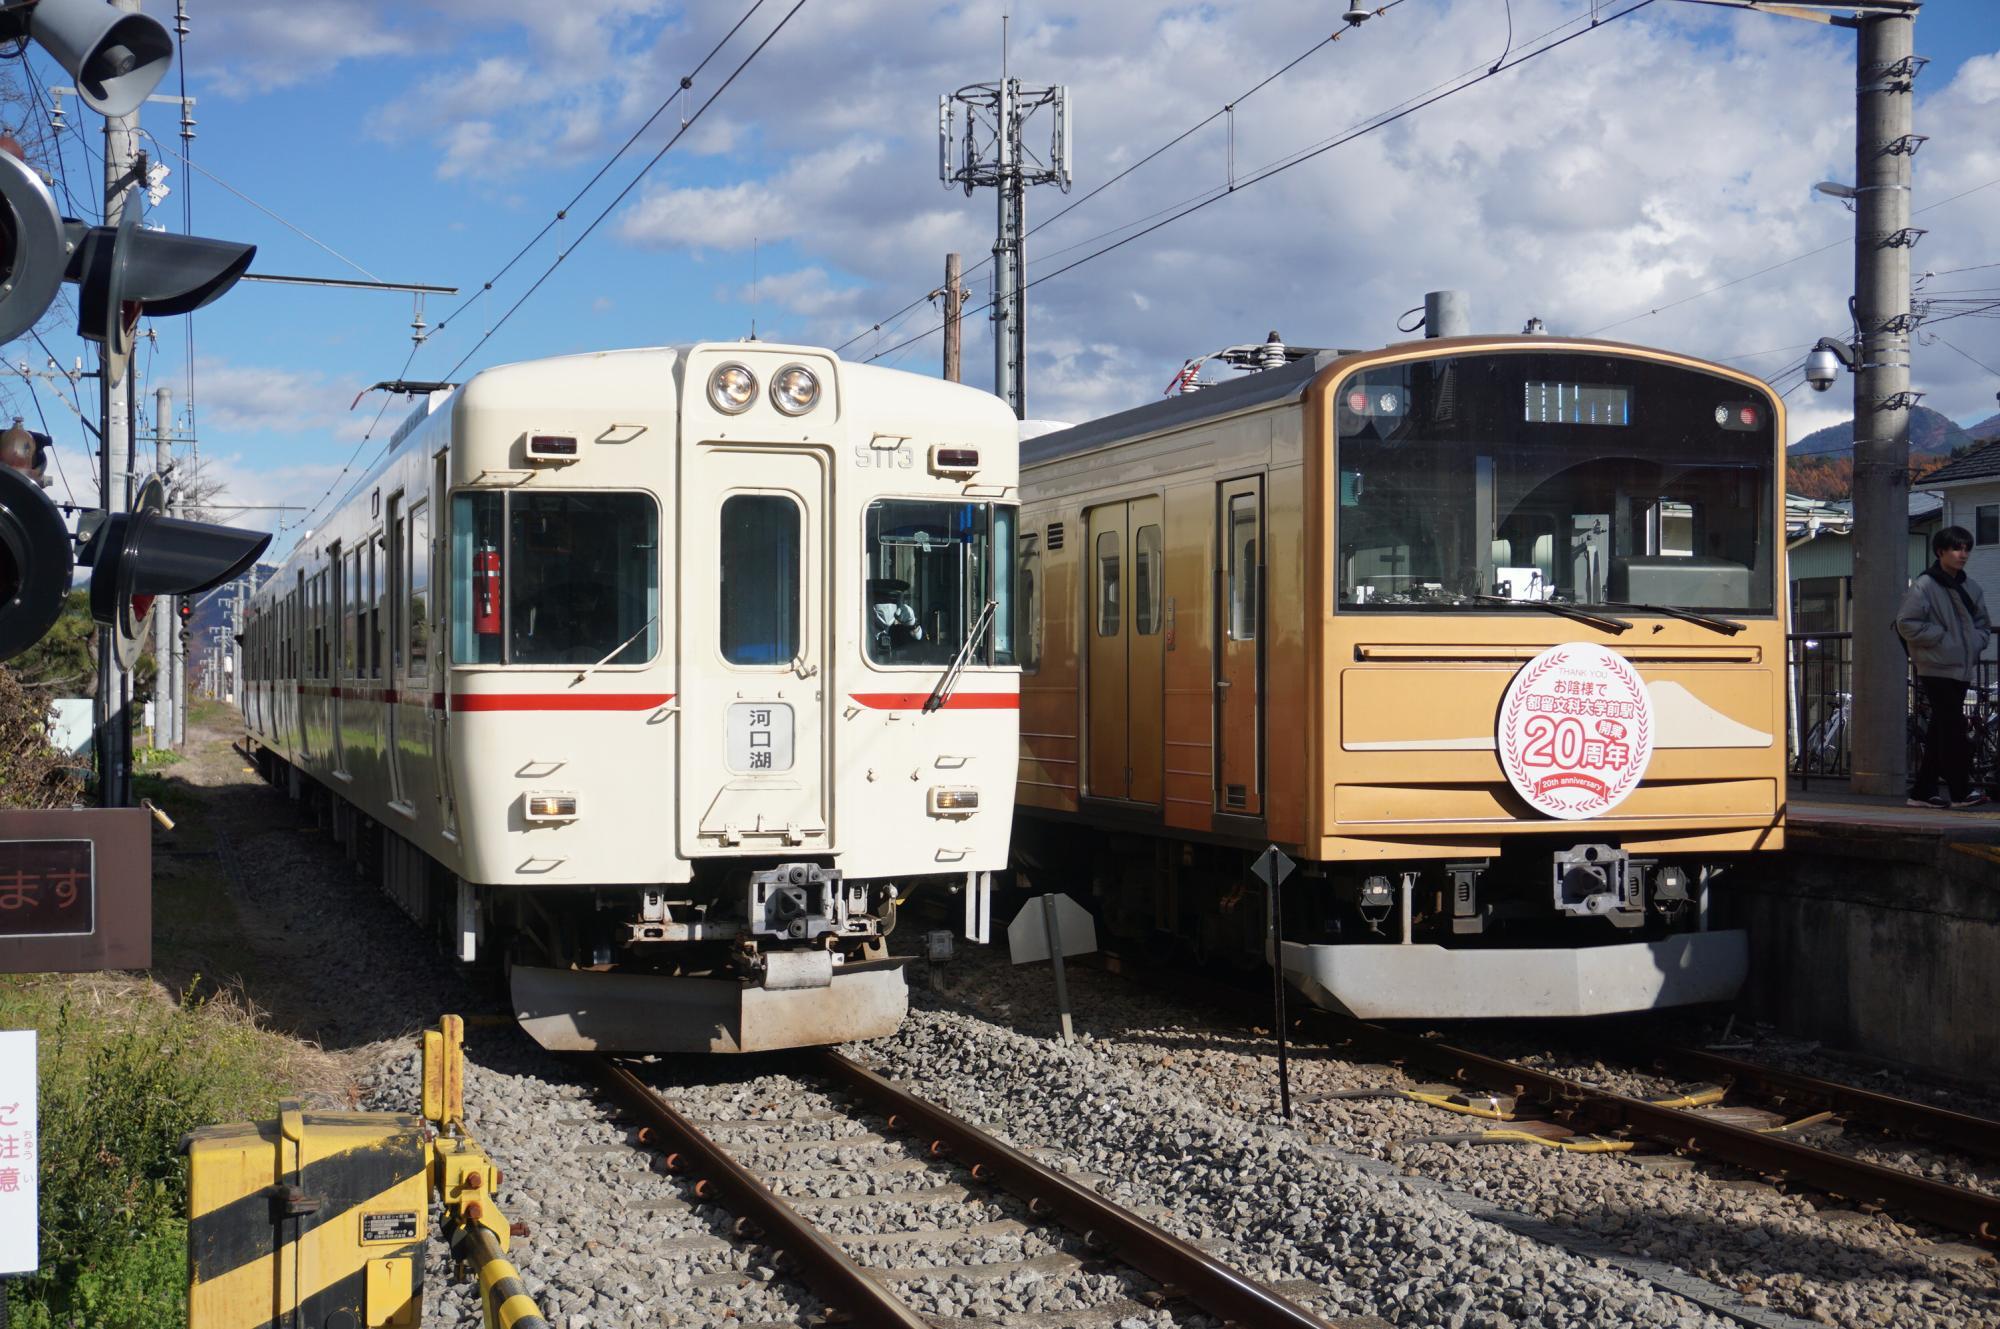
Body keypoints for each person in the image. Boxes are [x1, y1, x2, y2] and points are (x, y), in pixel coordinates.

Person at [1897, 525, 1992, 809]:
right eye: (1956, 549)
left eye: (1966, 549)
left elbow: (1982, 625)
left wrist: (1974, 642)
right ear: (1940, 552)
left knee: (1942, 728)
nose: (1962, 554)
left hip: (1960, 667)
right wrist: (1942, 638)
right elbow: (1906, 623)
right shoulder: (1925, 586)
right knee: (1953, 729)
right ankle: (1960, 792)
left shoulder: (1970, 587)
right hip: (1935, 667)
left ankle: (1922, 791)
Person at [869, 579, 923, 653]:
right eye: (882, 601)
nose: (888, 608)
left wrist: (912, 624)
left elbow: (925, 648)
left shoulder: (901, 633)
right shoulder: (859, 630)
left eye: (893, 602)